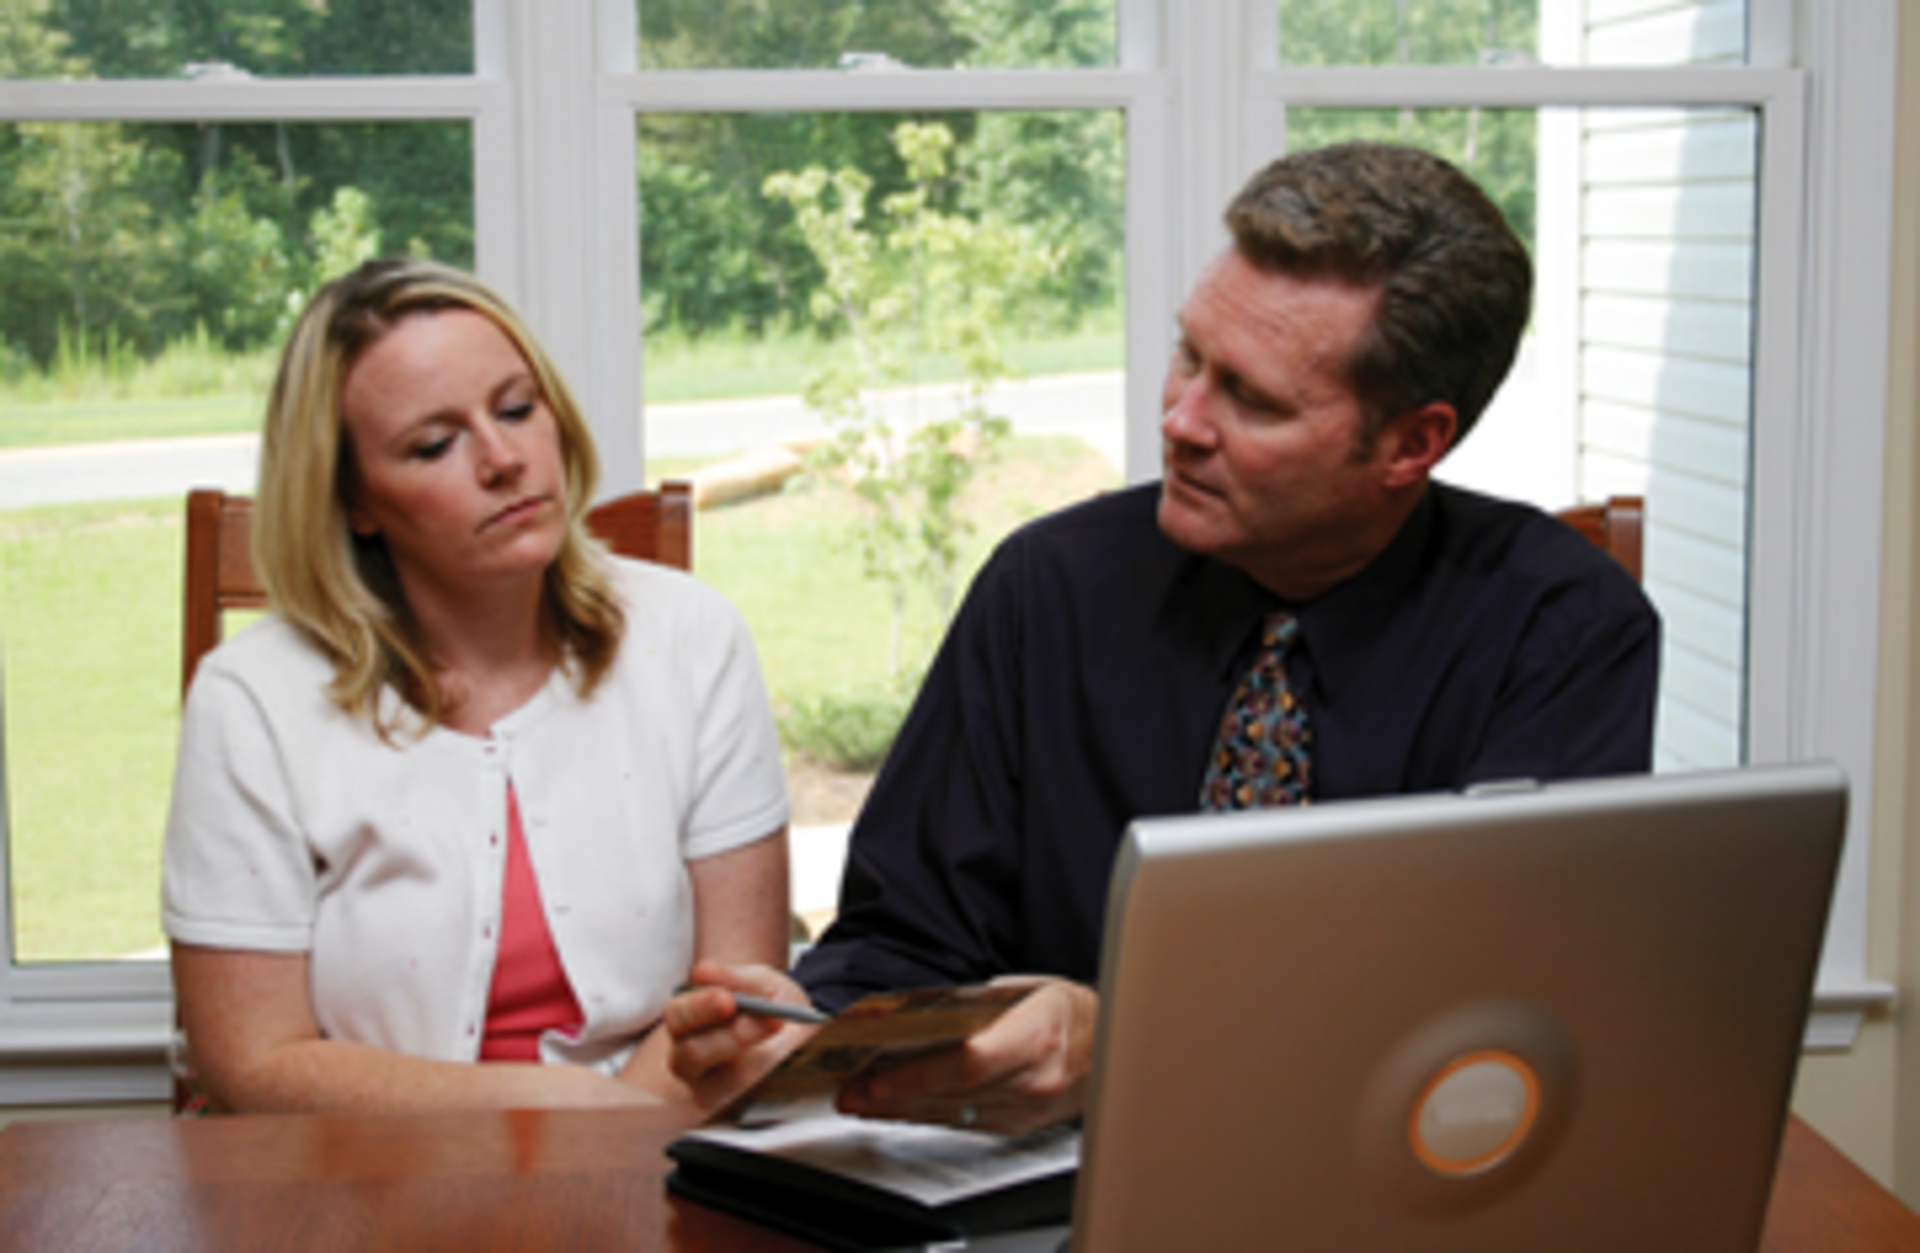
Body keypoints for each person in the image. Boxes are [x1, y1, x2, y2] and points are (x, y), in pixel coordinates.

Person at [665, 141, 1660, 1133]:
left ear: (1411, 444)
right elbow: (905, 943)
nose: (1182, 421)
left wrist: (1128, 1040)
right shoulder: (1042, 589)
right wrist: (809, 1027)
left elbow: (1512, 1018)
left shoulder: (1562, 634)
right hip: (1042, 1193)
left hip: (1392, 1181)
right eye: (1191, 355)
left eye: (1253, 399)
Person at [163, 257, 791, 1113]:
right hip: (367, 1173)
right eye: (434, 444)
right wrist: (575, 1123)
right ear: (355, 500)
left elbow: (740, 1004)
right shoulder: (250, 699)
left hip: (660, 1158)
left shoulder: (694, 636)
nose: (503, 459)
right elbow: (255, 1062)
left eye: (516, 408)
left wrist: (616, 1145)